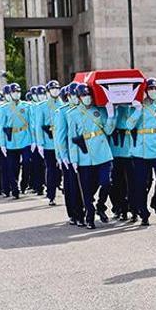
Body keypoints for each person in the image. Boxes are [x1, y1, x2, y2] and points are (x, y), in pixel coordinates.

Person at [68, 83, 116, 229]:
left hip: (102, 151)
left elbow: (108, 130)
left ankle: (101, 205)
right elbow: (72, 138)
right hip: (85, 155)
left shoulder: (99, 110)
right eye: (83, 95)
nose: (87, 97)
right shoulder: (72, 114)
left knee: (106, 182)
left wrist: (111, 116)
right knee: (87, 189)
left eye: (88, 94)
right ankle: (89, 216)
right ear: (79, 97)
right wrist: (74, 159)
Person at [128, 78, 156, 225]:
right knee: (141, 184)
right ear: (146, 90)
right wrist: (137, 111)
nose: (153, 91)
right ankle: (144, 213)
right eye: (151, 88)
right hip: (141, 151)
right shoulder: (138, 106)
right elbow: (128, 125)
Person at [54, 84, 85, 226]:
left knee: (83, 184)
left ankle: (83, 210)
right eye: (73, 95)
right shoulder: (63, 112)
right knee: (71, 185)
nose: (76, 98)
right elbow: (60, 136)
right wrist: (62, 156)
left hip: (83, 153)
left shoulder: (83, 109)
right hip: (69, 154)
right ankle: (75, 214)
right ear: (68, 96)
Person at [0, 84, 32, 199]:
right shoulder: (4, 108)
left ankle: (24, 183)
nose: (16, 94)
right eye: (14, 92)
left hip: (25, 138)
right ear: (10, 94)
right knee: (12, 167)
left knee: (27, 162)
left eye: (18, 92)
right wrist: (2, 144)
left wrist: (34, 141)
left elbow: (32, 124)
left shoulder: (27, 106)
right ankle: (15, 188)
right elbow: (2, 127)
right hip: (11, 140)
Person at [35, 84, 61, 204]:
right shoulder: (42, 106)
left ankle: (60, 187)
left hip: (61, 143)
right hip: (49, 143)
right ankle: (51, 195)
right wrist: (40, 143)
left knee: (61, 170)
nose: (55, 91)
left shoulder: (63, 104)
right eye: (52, 89)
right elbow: (38, 126)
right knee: (51, 169)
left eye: (57, 89)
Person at [109, 103, 135, 221]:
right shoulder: (112, 107)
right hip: (116, 150)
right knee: (117, 183)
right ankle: (120, 208)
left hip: (132, 150)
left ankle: (134, 208)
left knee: (134, 183)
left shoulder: (135, 106)